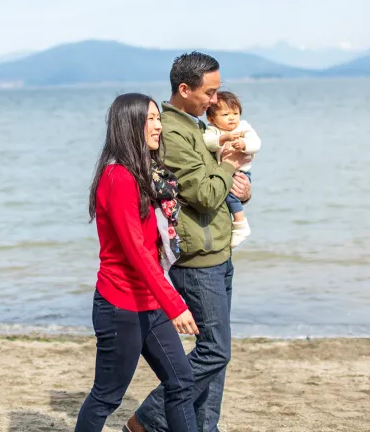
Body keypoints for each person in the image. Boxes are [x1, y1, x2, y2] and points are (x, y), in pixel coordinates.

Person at [126, 53, 252, 432]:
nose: (215, 100)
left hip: (218, 251)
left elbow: (220, 187)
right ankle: (147, 419)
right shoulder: (172, 133)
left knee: (217, 354)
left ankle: (204, 427)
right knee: (214, 351)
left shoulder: (197, 127)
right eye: (209, 93)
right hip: (197, 260)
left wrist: (242, 191)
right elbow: (207, 195)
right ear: (184, 89)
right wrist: (229, 166)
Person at [75, 93, 199, 432]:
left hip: (149, 301)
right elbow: (136, 252)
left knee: (181, 381)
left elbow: (154, 244)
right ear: (129, 125)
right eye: (150, 119)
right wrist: (175, 305)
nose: (158, 126)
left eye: (159, 118)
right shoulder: (118, 177)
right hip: (121, 304)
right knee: (106, 397)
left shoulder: (147, 173)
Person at [203, 91, 261, 248]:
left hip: (242, 172)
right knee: (227, 195)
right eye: (225, 114)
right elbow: (208, 143)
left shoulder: (243, 127)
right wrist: (223, 138)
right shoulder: (212, 130)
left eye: (235, 113)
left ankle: (240, 225)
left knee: (231, 195)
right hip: (226, 171)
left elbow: (256, 143)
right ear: (211, 119)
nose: (232, 118)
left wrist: (244, 145)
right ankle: (239, 225)